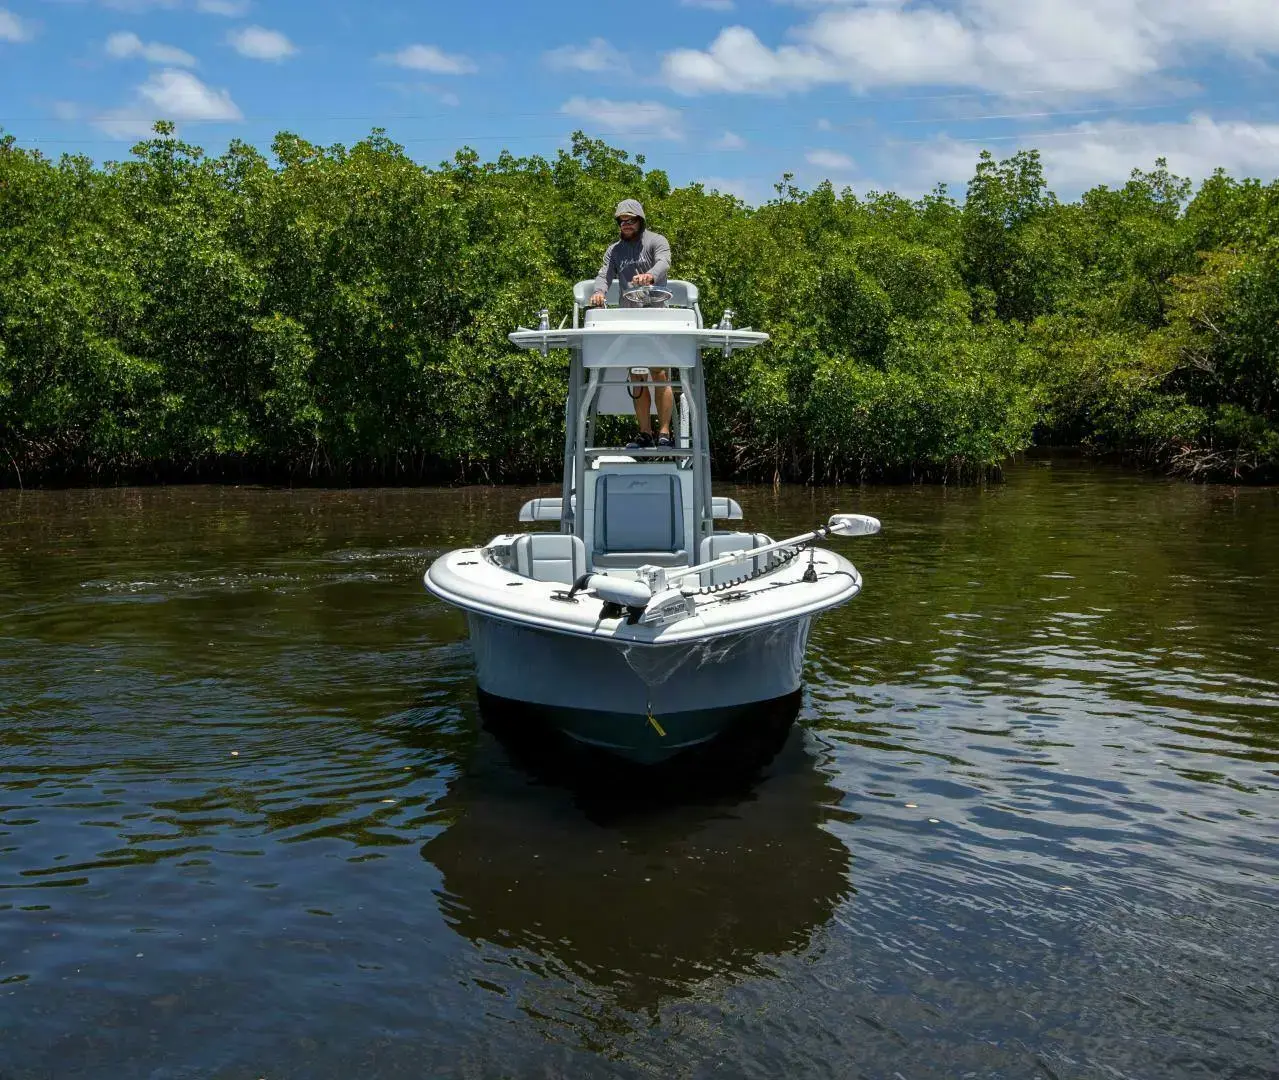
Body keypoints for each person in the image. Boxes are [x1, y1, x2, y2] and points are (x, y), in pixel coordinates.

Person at [590, 199, 675, 449]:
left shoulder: (656, 241)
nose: (626, 225)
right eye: (622, 221)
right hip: (629, 317)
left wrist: (651, 275)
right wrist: (599, 293)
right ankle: (645, 433)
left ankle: (664, 433)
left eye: (631, 220)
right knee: (637, 375)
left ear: (640, 221)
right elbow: (603, 275)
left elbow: (664, 263)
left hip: (656, 315)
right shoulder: (614, 250)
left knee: (660, 374)